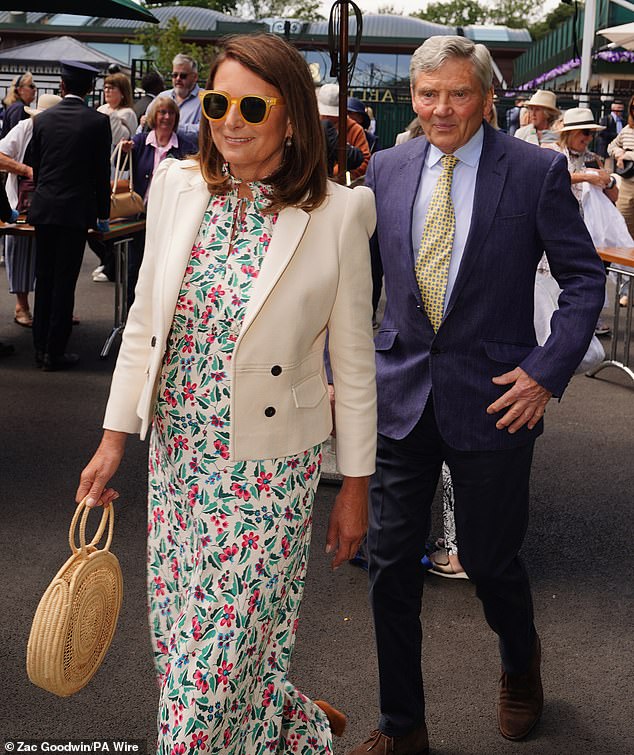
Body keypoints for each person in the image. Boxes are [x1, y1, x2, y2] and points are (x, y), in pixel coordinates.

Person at [76, 33, 376, 754]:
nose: (230, 119)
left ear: (292, 117)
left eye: (250, 104)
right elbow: (146, 320)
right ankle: (290, 723)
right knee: (185, 640)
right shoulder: (179, 186)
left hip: (268, 472)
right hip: (180, 455)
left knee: (213, 661)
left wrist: (358, 486)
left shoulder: (340, 213)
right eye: (216, 101)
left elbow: (354, 365)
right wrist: (115, 436)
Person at [351, 35, 605, 754]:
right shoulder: (388, 168)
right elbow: (359, 280)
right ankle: (403, 724)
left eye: (457, 93)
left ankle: (521, 663)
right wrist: (345, 368)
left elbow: (584, 278)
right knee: (390, 563)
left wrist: (546, 370)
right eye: (427, 94)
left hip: (498, 397)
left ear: (487, 96)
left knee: (492, 562)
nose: (440, 109)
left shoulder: (534, 170)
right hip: (401, 391)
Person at [28, 60, 111, 372]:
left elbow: (36, 167)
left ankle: (39, 347)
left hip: (45, 207)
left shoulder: (42, 120)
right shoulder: (96, 122)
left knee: (44, 278)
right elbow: (102, 174)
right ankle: (55, 350)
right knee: (64, 281)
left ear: (61, 86)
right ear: (90, 89)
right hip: (75, 211)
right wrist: (103, 214)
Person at [119, 96, 197, 304]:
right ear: (154, 116)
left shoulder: (186, 147)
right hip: (140, 217)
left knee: (164, 270)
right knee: (135, 269)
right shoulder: (138, 143)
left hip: (170, 219)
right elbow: (124, 169)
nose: (166, 117)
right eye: (162, 112)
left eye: (171, 113)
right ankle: (130, 317)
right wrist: (125, 151)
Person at [0, 93, 62, 328]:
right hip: (21, 202)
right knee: (21, 253)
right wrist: (26, 170)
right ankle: (22, 306)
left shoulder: (61, 131)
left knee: (55, 257)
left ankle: (57, 308)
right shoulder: (24, 128)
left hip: (53, 204)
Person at [141, 53, 201, 139]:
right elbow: (143, 128)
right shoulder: (162, 96)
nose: (178, 79)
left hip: (189, 151)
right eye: (174, 75)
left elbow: (205, 130)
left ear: (195, 77)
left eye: (183, 76)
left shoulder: (205, 99)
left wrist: (171, 126)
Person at [318, 83, 370, 179]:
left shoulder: (355, 129)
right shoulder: (313, 125)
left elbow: (365, 160)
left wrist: (340, 175)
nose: (329, 117)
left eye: (333, 115)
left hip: (343, 185)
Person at [608, 94, 634, 242]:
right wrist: (618, 153)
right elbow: (611, 146)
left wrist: (626, 156)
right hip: (627, 184)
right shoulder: (627, 130)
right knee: (622, 226)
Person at [1, 72, 36, 139]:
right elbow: (17, 138)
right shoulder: (19, 108)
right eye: (31, 86)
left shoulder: (16, 106)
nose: (34, 89)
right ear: (20, 90)